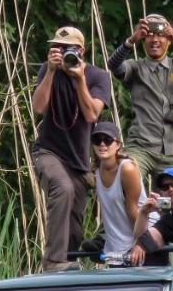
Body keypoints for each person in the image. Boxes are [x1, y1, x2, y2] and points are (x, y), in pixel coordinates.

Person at [30, 26, 112, 271]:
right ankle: (53, 261)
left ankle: (68, 262)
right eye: (59, 47)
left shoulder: (98, 76)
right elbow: (38, 108)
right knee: (62, 188)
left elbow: (91, 114)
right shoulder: (49, 70)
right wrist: (51, 72)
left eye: (69, 49)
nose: (64, 53)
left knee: (75, 220)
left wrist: (78, 79)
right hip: (48, 151)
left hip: (78, 160)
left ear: (82, 51)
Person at [108, 13, 173, 175]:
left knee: (170, 196)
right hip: (141, 146)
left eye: (161, 35)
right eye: (150, 35)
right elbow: (114, 65)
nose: (155, 40)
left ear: (168, 40)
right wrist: (131, 40)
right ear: (144, 40)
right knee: (128, 174)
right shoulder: (135, 67)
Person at [90, 121, 149, 266]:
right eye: (97, 140)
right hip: (115, 249)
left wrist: (142, 243)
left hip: (140, 239)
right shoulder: (95, 171)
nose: (102, 144)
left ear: (118, 145)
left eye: (108, 140)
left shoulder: (127, 169)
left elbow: (133, 209)